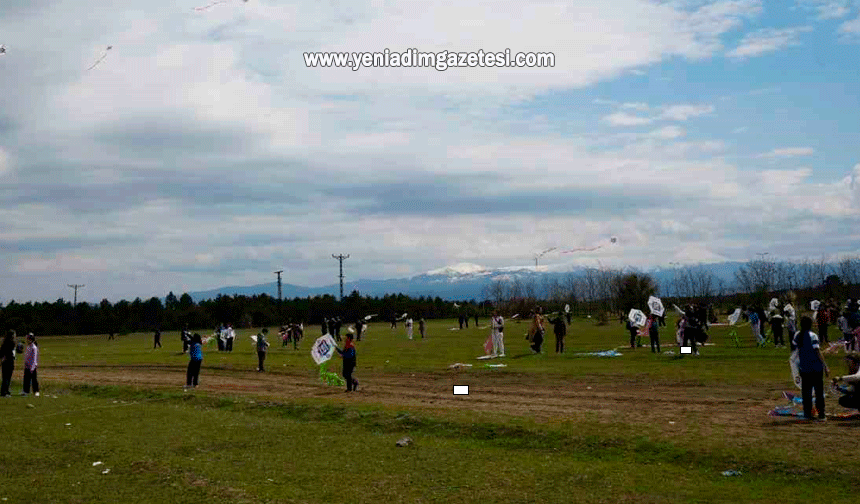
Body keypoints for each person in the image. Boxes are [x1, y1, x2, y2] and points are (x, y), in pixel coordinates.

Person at [793, 316, 829, 420]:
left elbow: (796, 349)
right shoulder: (813, 336)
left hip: (804, 368)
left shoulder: (797, 335)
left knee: (806, 392)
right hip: (816, 368)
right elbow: (818, 352)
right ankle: (821, 414)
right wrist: (825, 366)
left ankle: (807, 414)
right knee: (819, 392)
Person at [21, 333, 39, 397]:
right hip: (27, 366)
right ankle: (26, 391)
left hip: (32, 366)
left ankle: (36, 391)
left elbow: (34, 359)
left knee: (34, 380)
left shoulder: (34, 347)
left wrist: (32, 368)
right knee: (26, 379)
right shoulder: (28, 347)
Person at [1, 330, 16, 397]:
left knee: (5, 377)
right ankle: (4, 392)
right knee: (7, 377)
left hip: (5, 361)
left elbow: (1, 352)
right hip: (9, 361)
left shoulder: (4, 343)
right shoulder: (11, 343)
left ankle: (5, 390)